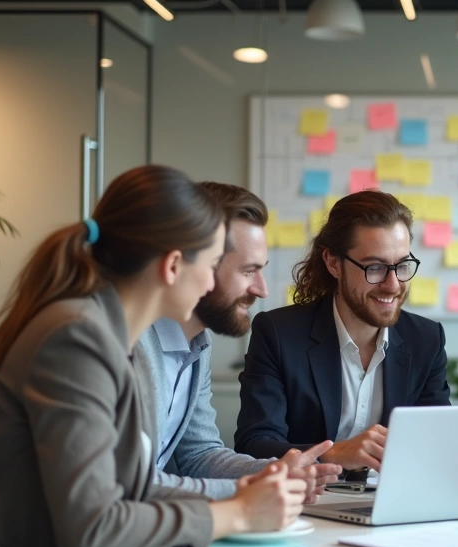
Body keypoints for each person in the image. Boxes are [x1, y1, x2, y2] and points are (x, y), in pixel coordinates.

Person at [0, 166, 310, 547]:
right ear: (173, 265)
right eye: (213, 262)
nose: (212, 284)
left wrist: (249, 492)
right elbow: (94, 527)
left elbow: (130, 488)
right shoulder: (77, 337)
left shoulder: (110, 336)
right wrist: (237, 512)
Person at [139, 182, 340, 499]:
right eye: (249, 271)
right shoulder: (129, 346)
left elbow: (200, 455)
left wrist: (276, 472)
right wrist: (249, 490)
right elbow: (130, 484)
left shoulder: (198, 345)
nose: (262, 290)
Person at [235, 190, 451, 470]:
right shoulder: (278, 334)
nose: (394, 284)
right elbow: (255, 442)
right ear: (334, 263)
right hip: (305, 499)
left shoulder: (426, 339)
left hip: (391, 502)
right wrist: (335, 454)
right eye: (375, 267)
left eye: (402, 266)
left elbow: (436, 442)